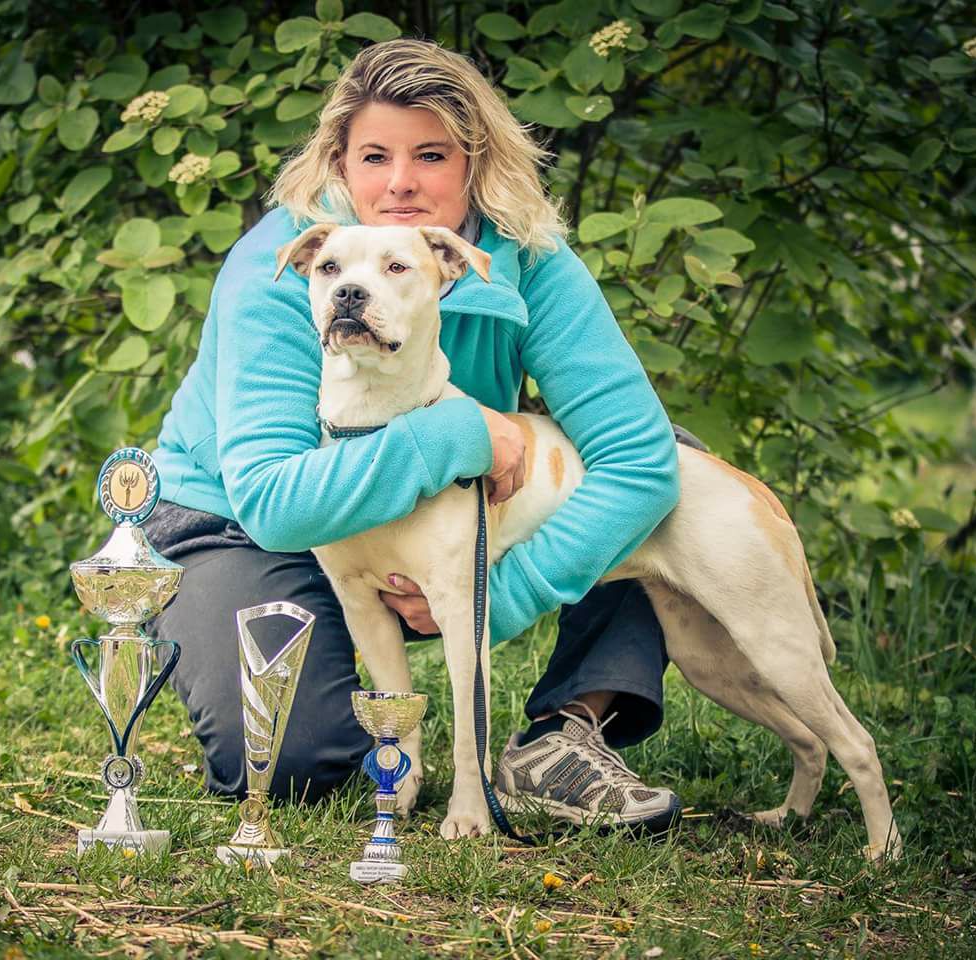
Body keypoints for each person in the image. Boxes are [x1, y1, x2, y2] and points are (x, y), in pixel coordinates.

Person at [142, 37, 682, 829]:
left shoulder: (525, 258)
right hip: (241, 527)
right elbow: (271, 503)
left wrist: (500, 596)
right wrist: (455, 432)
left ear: (475, 162)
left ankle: (567, 730)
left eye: (430, 155)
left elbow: (638, 458)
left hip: (426, 521)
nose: (399, 182)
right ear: (339, 163)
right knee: (289, 761)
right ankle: (333, 690)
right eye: (374, 157)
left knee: (667, 474)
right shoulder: (290, 265)